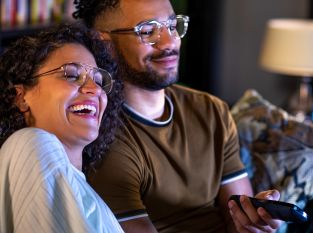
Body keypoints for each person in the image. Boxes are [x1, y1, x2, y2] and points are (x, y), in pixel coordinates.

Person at [73, 1, 282, 232]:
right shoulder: (103, 134)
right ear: (105, 43)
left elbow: (239, 216)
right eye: (148, 31)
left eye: (172, 26)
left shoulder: (211, 110)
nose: (169, 42)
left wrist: (256, 221)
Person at [0, 23, 125, 233]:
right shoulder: (32, 143)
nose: (93, 89)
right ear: (20, 97)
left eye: (98, 80)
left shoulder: (83, 189)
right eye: (71, 75)